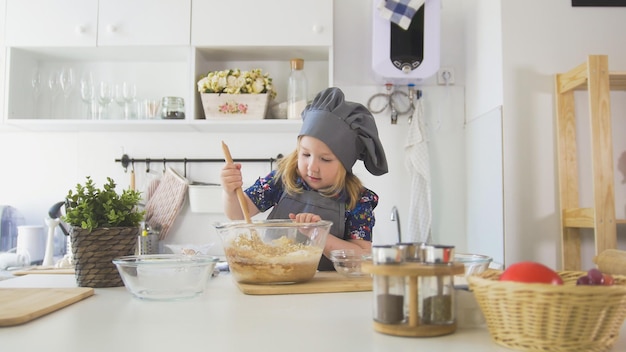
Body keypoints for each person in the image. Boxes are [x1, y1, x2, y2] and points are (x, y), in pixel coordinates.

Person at [220, 87, 388, 270]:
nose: (312, 167)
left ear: (345, 164)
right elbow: (237, 214)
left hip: (328, 290)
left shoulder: (358, 200)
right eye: (306, 154)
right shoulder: (281, 180)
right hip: (274, 276)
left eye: (325, 159)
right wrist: (229, 192)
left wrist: (319, 234)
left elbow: (362, 256)